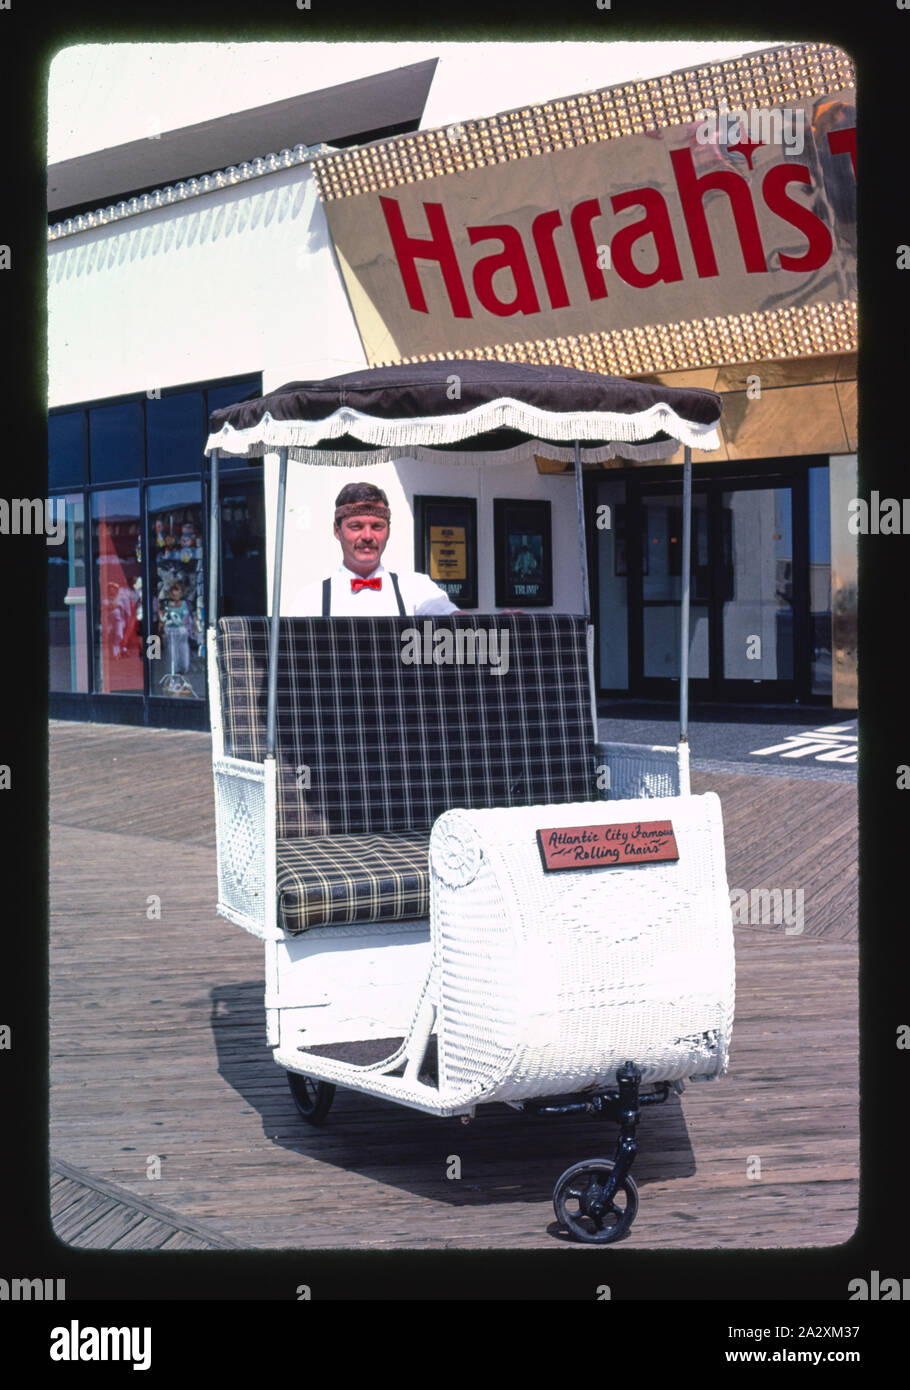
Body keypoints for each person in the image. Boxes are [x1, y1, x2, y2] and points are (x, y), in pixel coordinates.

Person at [288, 482, 460, 616]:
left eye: (377, 526)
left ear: (389, 531)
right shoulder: (310, 599)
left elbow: (454, 619)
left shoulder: (416, 588)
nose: (368, 536)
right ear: (337, 531)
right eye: (356, 526)